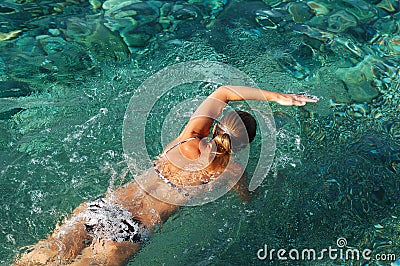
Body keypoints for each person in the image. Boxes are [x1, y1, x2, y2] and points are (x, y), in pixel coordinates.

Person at [15, 85, 318, 265]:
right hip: (130, 232)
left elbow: (223, 92)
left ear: (215, 126)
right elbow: (249, 204)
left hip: (104, 207)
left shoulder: (188, 138)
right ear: (243, 148)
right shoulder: (233, 171)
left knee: (42, 255)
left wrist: (278, 97)